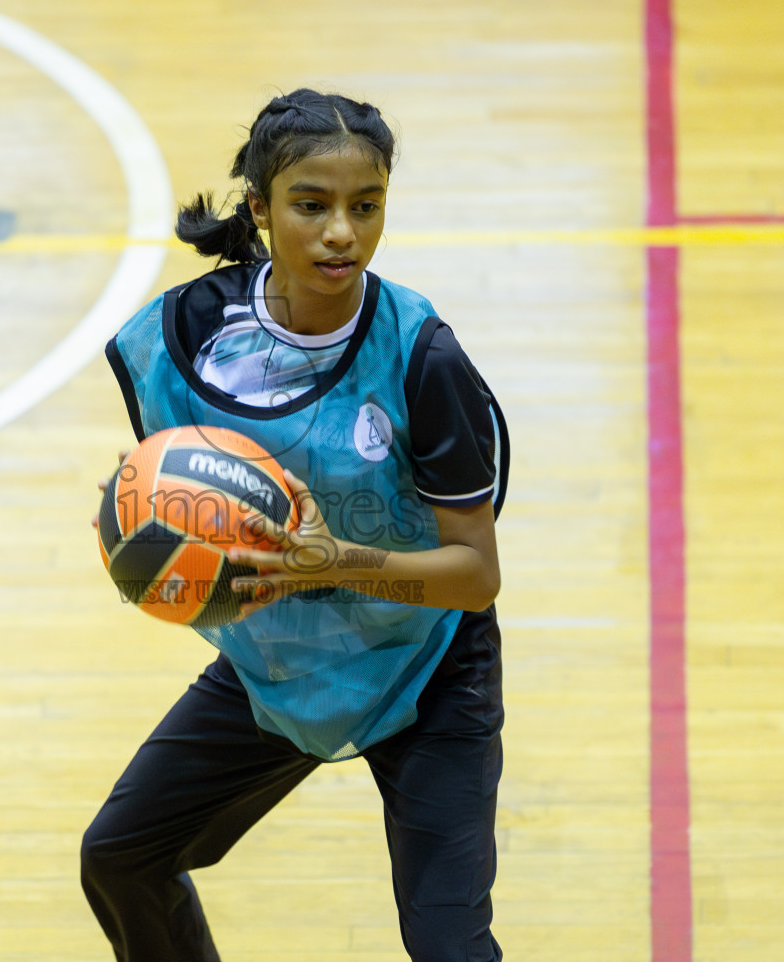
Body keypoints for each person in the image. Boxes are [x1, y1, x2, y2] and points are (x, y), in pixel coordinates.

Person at [82, 88, 510, 961]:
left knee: (451, 951)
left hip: (426, 667)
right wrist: (135, 514)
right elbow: (179, 488)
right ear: (261, 212)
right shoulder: (186, 337)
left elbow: (475, 574)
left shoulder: (421, 357)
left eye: (366, 206)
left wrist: (334, 562)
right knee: (121, 857)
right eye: (311, 207)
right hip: (279, 661)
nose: (342, 233)